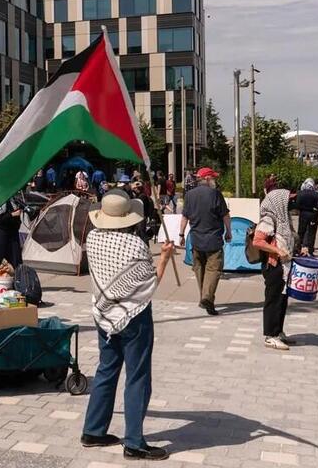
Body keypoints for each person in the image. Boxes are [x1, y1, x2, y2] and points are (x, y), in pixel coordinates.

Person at [80, 190, 175, 461]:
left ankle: (93, 430)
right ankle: (134, 442)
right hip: (134, 317)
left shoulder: (93, 237)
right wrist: (165, 258)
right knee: (138, 376)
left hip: (104, 315)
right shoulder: (135, 246)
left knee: (106, 370)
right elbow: (150, 284)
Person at [250, 189, 300, 350]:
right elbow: (257, 241)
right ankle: (270, 335)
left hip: (284, 265)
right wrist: (278, 251)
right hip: (274, 265)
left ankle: (278, 331)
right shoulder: (269, 218)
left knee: (282, 299)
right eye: (288, 200)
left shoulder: (283, 218)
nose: (291, 203)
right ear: (278, 202)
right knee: (273, 299)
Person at [179, 167, 231, 315]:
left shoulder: (189, 195)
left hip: (196, 239)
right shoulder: (216, 194)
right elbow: (225, 215)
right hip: (213, 239)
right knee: (213, 269)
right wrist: (229, 231)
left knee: (199, 269)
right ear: (207, 179)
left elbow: (185, 217)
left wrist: (181, 235)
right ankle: (207, 297)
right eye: (213, 178)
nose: (215, 180)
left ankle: (204, 297)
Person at [0, 192, 23, 269]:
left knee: (15, 262)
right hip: (1, 234)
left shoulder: (13, 199)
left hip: (13, 234)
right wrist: (11, 215)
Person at [294, 178, 318, 254]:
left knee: (301, 231)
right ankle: (310, 250)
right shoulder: (316, 194)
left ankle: (298, 249)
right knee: (312, 233)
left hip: (303, 214)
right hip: (313, 215)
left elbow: (297, 205)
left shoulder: (300, 193)